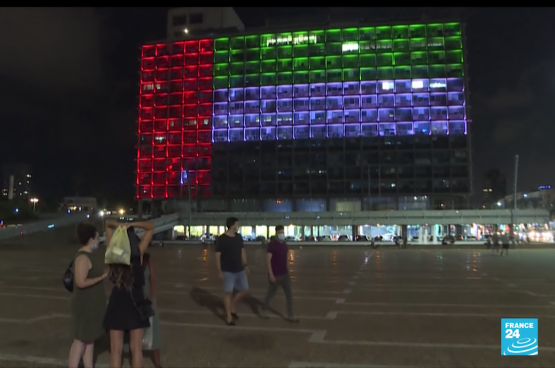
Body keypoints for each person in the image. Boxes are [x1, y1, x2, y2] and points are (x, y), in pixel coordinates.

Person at [103, 219, 154, 368]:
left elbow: (107, 223)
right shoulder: (138, 252)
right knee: (136, 349)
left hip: (117, 300)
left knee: (116, 351)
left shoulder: (112, 253)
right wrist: (132, 225)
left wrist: (119, 226)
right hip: (135, 299)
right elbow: (150, 227)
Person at [68, 222, 109, 368]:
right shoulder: (83, 257)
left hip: (91, 305)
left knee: (89, 340)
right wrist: (101, 277)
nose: (99, 240)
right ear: (91, 239)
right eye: (97, 237)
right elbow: (80, 282)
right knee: (80, 340)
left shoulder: (88, 255)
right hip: (85, 305)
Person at [214, 217, 250, 326]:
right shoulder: (222, 239)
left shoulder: (238, 237)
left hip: (240, 269)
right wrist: (219, 271)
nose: (238, 226)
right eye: (237, 224)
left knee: (245, 290)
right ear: (232, 225)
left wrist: (246, 264)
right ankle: (229, 317)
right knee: (228, 292)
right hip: (227, 271)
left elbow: (242, 251)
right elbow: (217, 256)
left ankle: (232, 306)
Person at [260, 225, 298, 322]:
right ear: (276, 233)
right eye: (280, 232)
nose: (282, 234)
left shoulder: (284, 245)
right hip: (275, 275)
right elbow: (268, 261)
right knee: (270, 294)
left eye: (283, 232)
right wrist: (271, 274)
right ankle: (264, 310)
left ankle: (290, 315)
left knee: (289, 295)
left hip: (285, 274)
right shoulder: (272, 245)